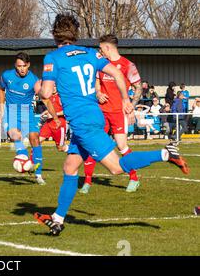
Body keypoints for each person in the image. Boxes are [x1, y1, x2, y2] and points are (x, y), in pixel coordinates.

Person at [33, 13, 189, 236]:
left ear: (54, 35)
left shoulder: (53, 58)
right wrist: (126, 99)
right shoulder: (89, 53)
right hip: (94, 114)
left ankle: (165, 154)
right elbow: (116, 72)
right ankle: (58, 219)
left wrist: (39, 88)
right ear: (75, 35)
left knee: (116, 167)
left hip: (83, 122)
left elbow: (46, 92)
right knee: (70, 167)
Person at [81, 34, 144, 194]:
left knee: (122, 146)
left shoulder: (127, 65)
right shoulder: (101, 63)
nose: (100, 51)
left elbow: (138, 87)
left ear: (108, 47)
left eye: (101, 48)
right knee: (92, 144)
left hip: (118, 112)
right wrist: (98, 93)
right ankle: (87, 182)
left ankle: (134, 178)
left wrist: (131, 106)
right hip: (101, 112)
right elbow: (96, 82)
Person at [0, 52, 59, 185]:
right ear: (15, 65)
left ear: (29, 65)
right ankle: (25, 159)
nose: (22, 69)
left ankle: (38, 175)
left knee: (34, 138)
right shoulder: (6, 76)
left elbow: (45, 99)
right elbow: (1, 90)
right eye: (19, 66)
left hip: (27, 113)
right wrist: (1, 106)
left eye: (24, 66)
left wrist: (55, 116)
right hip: (11, 112)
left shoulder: (33, 80)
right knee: (15, 135)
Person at [38, 86, 69, 153]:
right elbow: (51, 109)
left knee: (60, 148)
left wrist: (53, 115)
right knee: (37, 142)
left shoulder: (61, 97)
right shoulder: (49, 97)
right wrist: (44, 113)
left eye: (55, 86)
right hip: (49, 124)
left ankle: (76, 152)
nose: (54, 88)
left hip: (59, 125)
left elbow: (67, 111)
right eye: (53, 86)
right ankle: (33, 161)